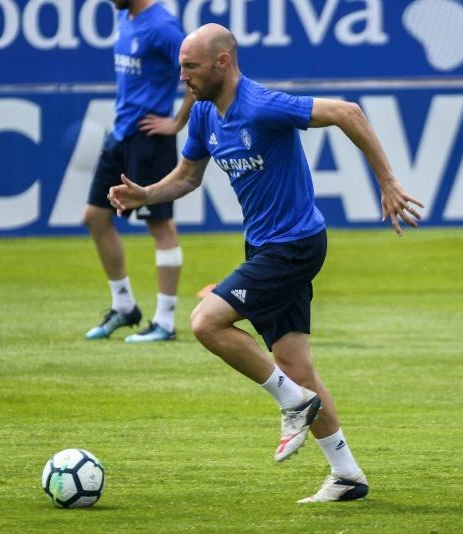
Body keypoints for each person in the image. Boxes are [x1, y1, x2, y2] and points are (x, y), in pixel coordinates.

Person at [108, 24, 425, 503]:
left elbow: (347, 111)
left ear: (223, 61)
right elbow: (189, 177)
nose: (183, 79)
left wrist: (386, 182)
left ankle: (291, 402)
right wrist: (146, 194)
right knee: (295, 365)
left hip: (295, 246)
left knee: (205, 322)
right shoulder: (202, 116)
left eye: (190, 68)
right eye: (180, 69)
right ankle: (347, 474)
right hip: (263, 248)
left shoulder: (260, 104)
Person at [83, 0, 194, 343]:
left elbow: (200, 72)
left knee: (160, 225)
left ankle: (165, 321)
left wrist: (177, 121)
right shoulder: (124, 15)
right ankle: (124, 306)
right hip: (120, 134)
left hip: (149, 138)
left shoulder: (162, 27)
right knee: (95, 217)